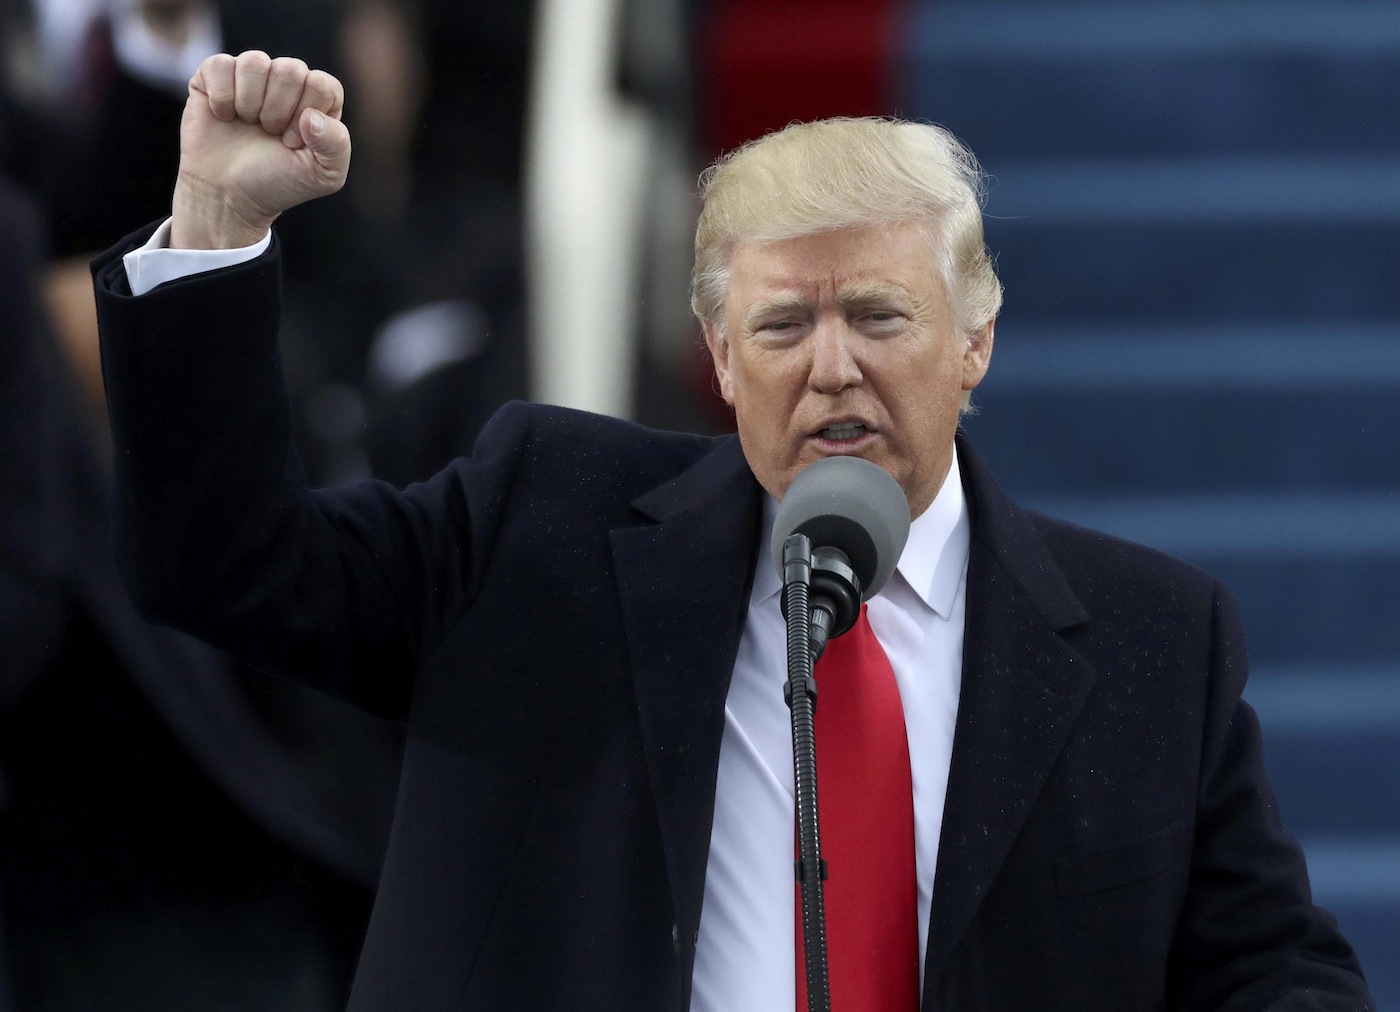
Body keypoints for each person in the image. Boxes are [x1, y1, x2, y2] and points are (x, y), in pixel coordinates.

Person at [90, 52, 1372, 1010]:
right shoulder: (543, 522)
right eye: (779, 327)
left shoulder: (1156, 637)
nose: (830, 369)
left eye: (877, 316)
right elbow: (230, 562)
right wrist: (215, 228)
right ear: (715, 352)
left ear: (974, 341)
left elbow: (1268, 968)